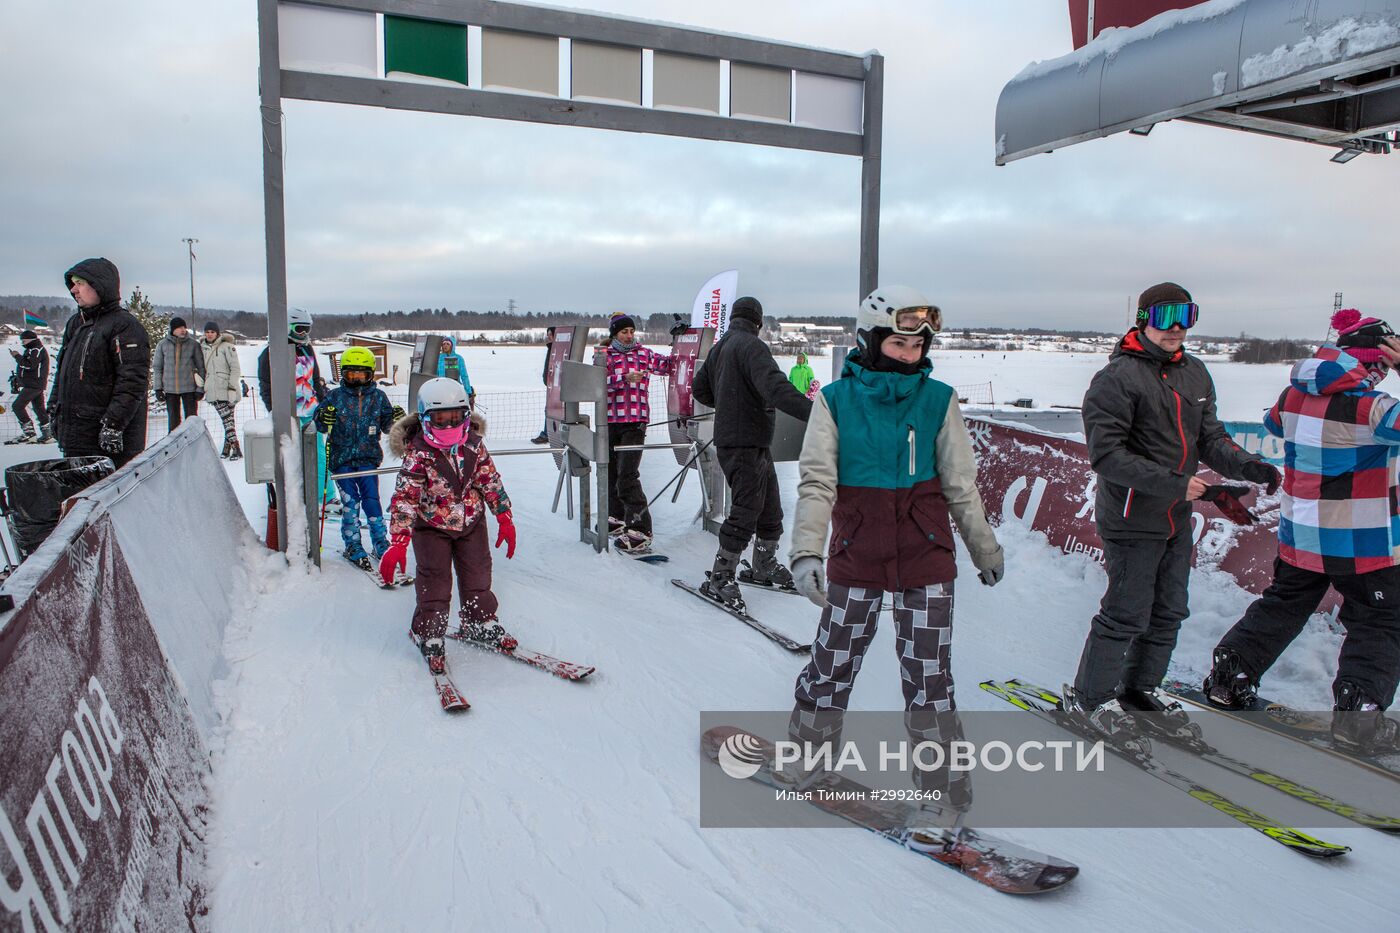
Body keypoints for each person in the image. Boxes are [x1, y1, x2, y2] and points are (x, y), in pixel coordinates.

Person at [783, 285, 1004, 803]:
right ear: (872, 338)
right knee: (832, 661)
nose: (909, 355)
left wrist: (983, 548)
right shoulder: (835, 401)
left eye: (918, 346)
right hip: (856, 554)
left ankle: (944, 789)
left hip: (926, 558)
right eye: (899, 343)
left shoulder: (939, 400)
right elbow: (817, 483)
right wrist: (807, 551)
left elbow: (960, 484)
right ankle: (807, 761)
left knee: (929, 678)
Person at [1065, 283, 1278, 742]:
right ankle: (1090, 699)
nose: (1177, 327)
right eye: (1166, 317)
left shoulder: (1196, 373)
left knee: (1169, 611)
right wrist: (1180, 484)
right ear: (1144, 319)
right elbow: (1107, 455)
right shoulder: (1116, 379)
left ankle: (1139, 691)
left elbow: (1211, 439)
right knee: (1126, 613)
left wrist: (1248, 465)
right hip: (1131, 515)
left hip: (1174, 518)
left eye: (1186, 315)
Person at [1204, 309, 1400, 755]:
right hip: (1363, 543)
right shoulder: (1374, 408)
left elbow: (1273, 423)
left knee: (1283, 605)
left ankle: (1229, 675)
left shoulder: (1292, 397)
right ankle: (1359, 717)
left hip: (1301, 536)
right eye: (1384, 368)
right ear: (1373, 363)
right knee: (1379, 623)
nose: (1384, 376)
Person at [379, 378, 518, 682]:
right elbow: (405, 497)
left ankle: (478, 621)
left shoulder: (473, 444)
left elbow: (489, 480)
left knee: (478, 574)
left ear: (466, 415)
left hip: (471, 522)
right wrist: (398, 541)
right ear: (425, 418)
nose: (448, 424)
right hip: (432, 527)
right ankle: (428, 632)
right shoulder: (418, 453)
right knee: (435, 581)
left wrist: (504, 516)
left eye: (455, 418)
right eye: (440, 419)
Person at [691, 296, 812, 610]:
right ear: (758, 322)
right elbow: (776, 388)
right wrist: (818, 412)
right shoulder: (752, 346)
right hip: (744, 443)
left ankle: (763, 566)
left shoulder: (721, 348)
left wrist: (731, 401)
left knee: (770, 509)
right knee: (746, 512)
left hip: (751, 442)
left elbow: (700, 389)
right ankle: (720, 577)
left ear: (733, 319)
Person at [49, 258, 151, 468]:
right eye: (72, 284)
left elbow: (132, 383)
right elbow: (63, 373)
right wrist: (54, 409)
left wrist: (113, 425)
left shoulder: (124, 326)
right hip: (77, 435)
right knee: (79, 498)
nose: (73, 290)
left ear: (99, 285)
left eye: (80, 283)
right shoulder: (76, 324)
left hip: (108, 441)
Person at [314, 346, 404, 571]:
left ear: (370, 374)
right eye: (351, 374)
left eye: (361, 375)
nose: (356, 379)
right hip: (342, 458)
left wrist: (397, 421)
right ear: (343, 374)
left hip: (368, 459)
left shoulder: (378, 397)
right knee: (351, 503)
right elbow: (320, 423)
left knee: (372, 501)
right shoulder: (335, 396)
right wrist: (324, 417)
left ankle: (380, 541)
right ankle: (353, 544)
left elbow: (387, 426)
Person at [600, 312, 674, 552]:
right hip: (611, 420)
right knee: (611, 471)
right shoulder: (604, 355)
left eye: (632, 331)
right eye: (624, 332)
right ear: (615, 334)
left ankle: (641, 528)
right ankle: (617, 516)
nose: (629, 336)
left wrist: (681, 346)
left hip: (636, 421)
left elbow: (669, 366)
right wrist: (624, 378)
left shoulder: (644, 353)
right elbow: (597, 383)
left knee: (627, 475)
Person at [258, 307, 336, 507]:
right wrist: (274, 410)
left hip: (310, 412)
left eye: (307, 329)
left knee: (318, 454)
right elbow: (266, 386)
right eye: (299, 329)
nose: (304, 334)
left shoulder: (306, 349)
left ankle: (324, 497)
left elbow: (315, 380)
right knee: (291, 458)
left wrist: (323, 403)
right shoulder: (271, 353)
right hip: (288, 414)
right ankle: (294, 499)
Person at [152, 317, 207, 433]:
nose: (183, 330)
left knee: (192, 420)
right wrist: (158, 388)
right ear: (172, 329)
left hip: (189, 389)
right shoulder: (162, 345)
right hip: (170, 390)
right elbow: (157, 368)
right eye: (179, 328)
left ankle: (194, 444)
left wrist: (200, 389)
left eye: (184, 327)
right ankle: (174, 446)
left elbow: (201, 367)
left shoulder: (193, 345)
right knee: (173, 422)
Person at [201, 322, 243, 460]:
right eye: (207, 332)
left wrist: (232, 387)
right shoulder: (203, 348)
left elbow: (235, 368)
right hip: (214, 389)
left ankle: (233, 447)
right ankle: (230, 447)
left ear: (217, 333)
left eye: (212, 332)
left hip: (228, 388)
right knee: (227, 419)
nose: (209, 334)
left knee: (227, 419)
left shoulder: (227, 347)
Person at [7, 330, 52, 445]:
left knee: (17, 406)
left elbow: (29, 365)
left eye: (24, 340)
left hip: (34, 385)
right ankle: (48, 434)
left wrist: (17, 356)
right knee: (39, 408)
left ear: (31, 340)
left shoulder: (36, 350)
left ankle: (30, 433)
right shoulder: (32, 349)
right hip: (34, 384)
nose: (22, 342)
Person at [531, 326, 555, 444]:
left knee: (551, 410)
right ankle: (548, 433)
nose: (548, 337)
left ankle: (547, 434)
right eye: (548, 335)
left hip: (556, 386)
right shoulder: (551, 348)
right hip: (551, 385)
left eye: (550, 334)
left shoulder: (556, 349)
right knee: (549, 410)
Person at [436, 336, 474, 406]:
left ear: (452, 346)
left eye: (447, 344)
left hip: (454, 389)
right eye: (443, 344)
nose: (445, 346)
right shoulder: (438, 358)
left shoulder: (458, 358)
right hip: (440, 388)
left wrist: (468, 391)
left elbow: (464, 376)